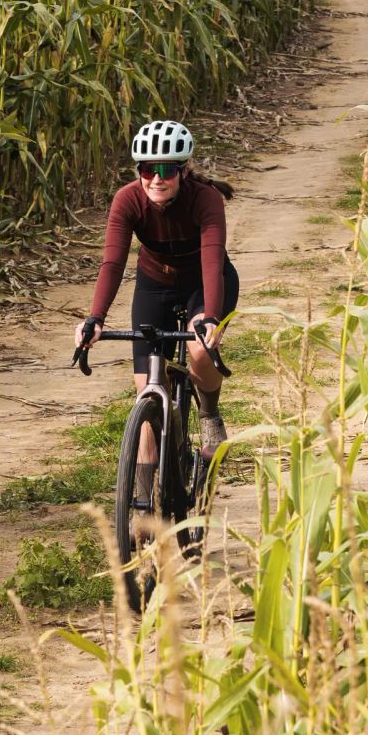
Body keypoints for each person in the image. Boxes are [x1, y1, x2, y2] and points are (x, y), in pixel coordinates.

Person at [74, 119, 238, 481]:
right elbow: (113, 262)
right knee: (147, 390)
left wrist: (210, 316)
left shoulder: (205, 198)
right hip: (155, 285)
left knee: (198, 350)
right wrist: (95, 318)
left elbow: (212, 259)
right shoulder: (128, 200)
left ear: (183, 171)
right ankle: (146, 506)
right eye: (148, 170)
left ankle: (209, 413)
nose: (157, 179)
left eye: (166, 170)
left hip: (204, 283)